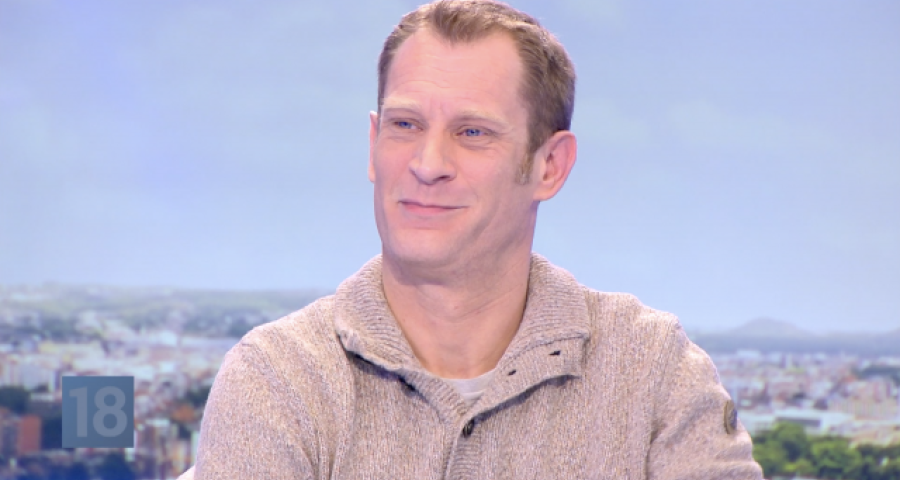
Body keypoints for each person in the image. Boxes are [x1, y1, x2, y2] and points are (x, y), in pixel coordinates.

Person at [184, 1, 763, 478]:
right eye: (405, 125)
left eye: (472, 132)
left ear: (550, 166)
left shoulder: (654, 371)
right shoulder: (278, 378)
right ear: (373, 145)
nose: (428, 164)